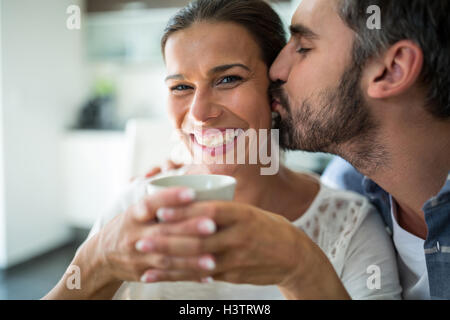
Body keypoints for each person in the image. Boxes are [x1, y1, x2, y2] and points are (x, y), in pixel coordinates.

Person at [44, 0, 401, 300]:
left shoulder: (350, 226)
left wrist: (302, 267)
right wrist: (97, 263)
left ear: (275, 88)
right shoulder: (132, 208)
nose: (200, 113)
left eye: (228, 79)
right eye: (181, 86)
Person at [269, 0, 450, 299]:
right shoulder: (346, 189)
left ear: (392, 70)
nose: (276, 70)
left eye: (303, 47)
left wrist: (304, 272)